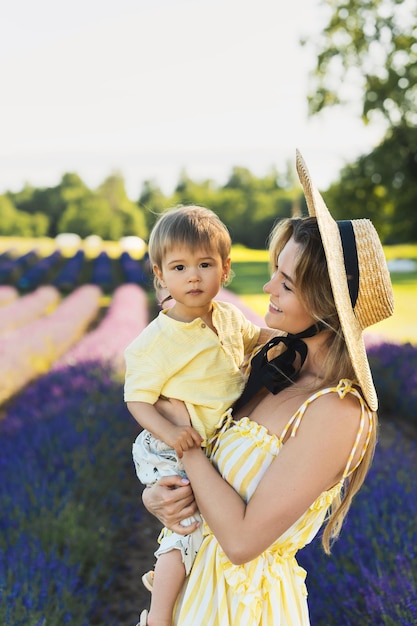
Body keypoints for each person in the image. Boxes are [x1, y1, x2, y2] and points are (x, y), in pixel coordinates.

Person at [140, 150, 394, 626]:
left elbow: (240, 542)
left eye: (288, 283)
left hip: (244, 608)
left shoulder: (338, 410)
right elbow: (209, 482)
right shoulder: (273, 365)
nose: (269, 288)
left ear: (326, 305)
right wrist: (160, 498)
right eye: (276, 270)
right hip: (195, 591)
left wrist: (186, 443)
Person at [124, 205, 274, 626]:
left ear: (225, 270)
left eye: (205, 264)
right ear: (160, 274)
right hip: (168, 442)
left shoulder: (226, 316)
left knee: (199, 527)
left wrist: (286, 339)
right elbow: (137, 401)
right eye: (179, 267)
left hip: (204, 438)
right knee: (184, 529)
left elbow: (254, 339)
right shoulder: (156, 341)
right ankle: (158, 616)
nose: (193, 276)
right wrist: (173, 433)